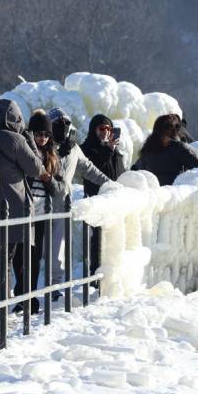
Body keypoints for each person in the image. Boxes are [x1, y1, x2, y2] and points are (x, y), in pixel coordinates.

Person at [0, 99, 46, 328]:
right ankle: (0, 314)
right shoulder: (16, 140)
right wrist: (29, 141)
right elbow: (37, 168)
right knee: (4, 262)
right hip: (12, 207)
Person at [46, 108, 110, 293]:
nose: (63, 127)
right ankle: (27, 291)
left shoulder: (73, 148)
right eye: (58, 123)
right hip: (39, 203)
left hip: (62, 204)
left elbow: (89, 169)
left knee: (58, 249)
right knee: (33, 250)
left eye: (66, 123)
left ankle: (55, 287)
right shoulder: (42, 144)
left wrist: (110, 184)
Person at [15, 111, 61, 313]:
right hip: (23, 212)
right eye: (38, 133)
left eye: (46, 134)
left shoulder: (52, 156)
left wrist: (48, 179)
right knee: (18, 257)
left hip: (41, 213)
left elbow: (59, 188)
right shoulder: (24, 150)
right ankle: (22, 296)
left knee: (34, 258)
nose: (42, 138)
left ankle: (30, 299)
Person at [79, 114, 127, 279]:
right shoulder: (86, 147)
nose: (105, 132)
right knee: (98, 238)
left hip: (113, 199)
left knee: (114, 236)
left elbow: (118, 173)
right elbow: (94, 170)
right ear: (94, 130)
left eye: (108, 128)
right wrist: (108, 150)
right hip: (96, 198)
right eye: (101, 128)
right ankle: (95, 273)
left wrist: (114, 153)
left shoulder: (113, 149)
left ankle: (113, 271)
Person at [134, 113, 198, 186]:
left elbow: (135, 171)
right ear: (175, 130)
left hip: (153, 193)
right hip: (174, 192)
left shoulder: (147, 150)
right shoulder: (178, 147)